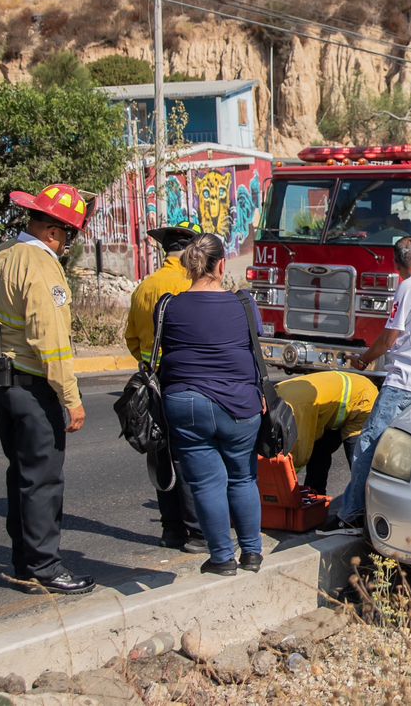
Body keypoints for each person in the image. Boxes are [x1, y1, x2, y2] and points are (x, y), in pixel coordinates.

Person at [0, 183, 95, 595]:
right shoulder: (41, 266)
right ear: (53, 232)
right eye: (69, 236)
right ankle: (45, 567)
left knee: (21, 476)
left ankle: (25, 562)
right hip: (32, 383)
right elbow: (52, 340)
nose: (67, 245)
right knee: (43, 480)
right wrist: (71, 398)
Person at [319, 237, 411, 535]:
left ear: (397, 265)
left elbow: (389, 339)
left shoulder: (408, 287)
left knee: (367, 448)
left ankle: (351, 515)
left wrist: (363, 360)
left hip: (405, 384)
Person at [158, 232, 266, 575]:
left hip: (186, 402)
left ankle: (222, 559)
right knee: (243, 478)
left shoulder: (168, 305)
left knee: (206, 484)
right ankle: (251, 554)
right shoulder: (244, 303)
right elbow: (256, 336)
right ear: (222, 265)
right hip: (241, 405)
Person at [123, 219, 207, 554]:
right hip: (186, 382)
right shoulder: (193, 285)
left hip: (153, 383)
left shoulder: (146, 286)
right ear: (191, 251)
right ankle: (198, 533)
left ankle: (171, 531)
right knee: (190, 457)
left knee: (162, 455)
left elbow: (130, 338)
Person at [275, 371, 379, 494]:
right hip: (332, 403)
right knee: (319, 450)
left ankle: (361, 505)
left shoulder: (295, 409)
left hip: (362, 400)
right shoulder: (273, 395)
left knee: (357, 462)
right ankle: (315, 496)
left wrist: (277, 479)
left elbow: (299, 455)